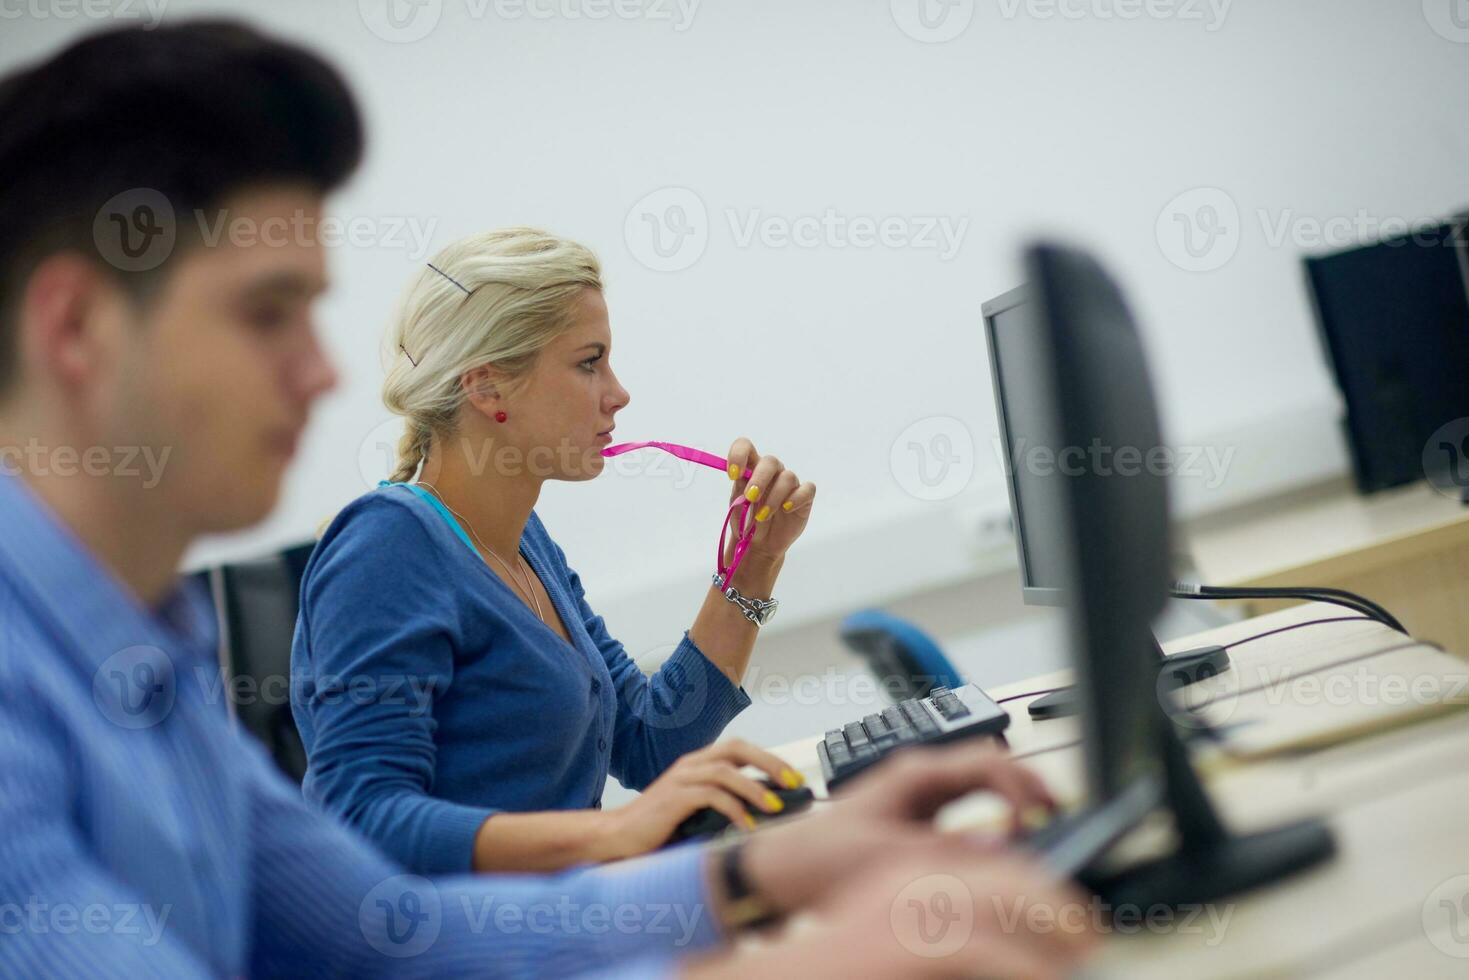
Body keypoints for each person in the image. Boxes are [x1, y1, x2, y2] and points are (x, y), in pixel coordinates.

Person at [0, 19, 1097, 979]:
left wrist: (754, 864)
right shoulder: (373, 550)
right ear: (73, 329)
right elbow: (376, 825)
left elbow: (387, 934)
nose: (326, 372)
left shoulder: (154, 651)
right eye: (265, 312)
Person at [291, 226, 820, 874]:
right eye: (588, 362)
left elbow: (650, 741)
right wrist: (613, 834)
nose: (617, 393)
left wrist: (755, 561)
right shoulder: (387, 548)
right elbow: (364, 819)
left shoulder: (525, 542)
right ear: (487, 389)